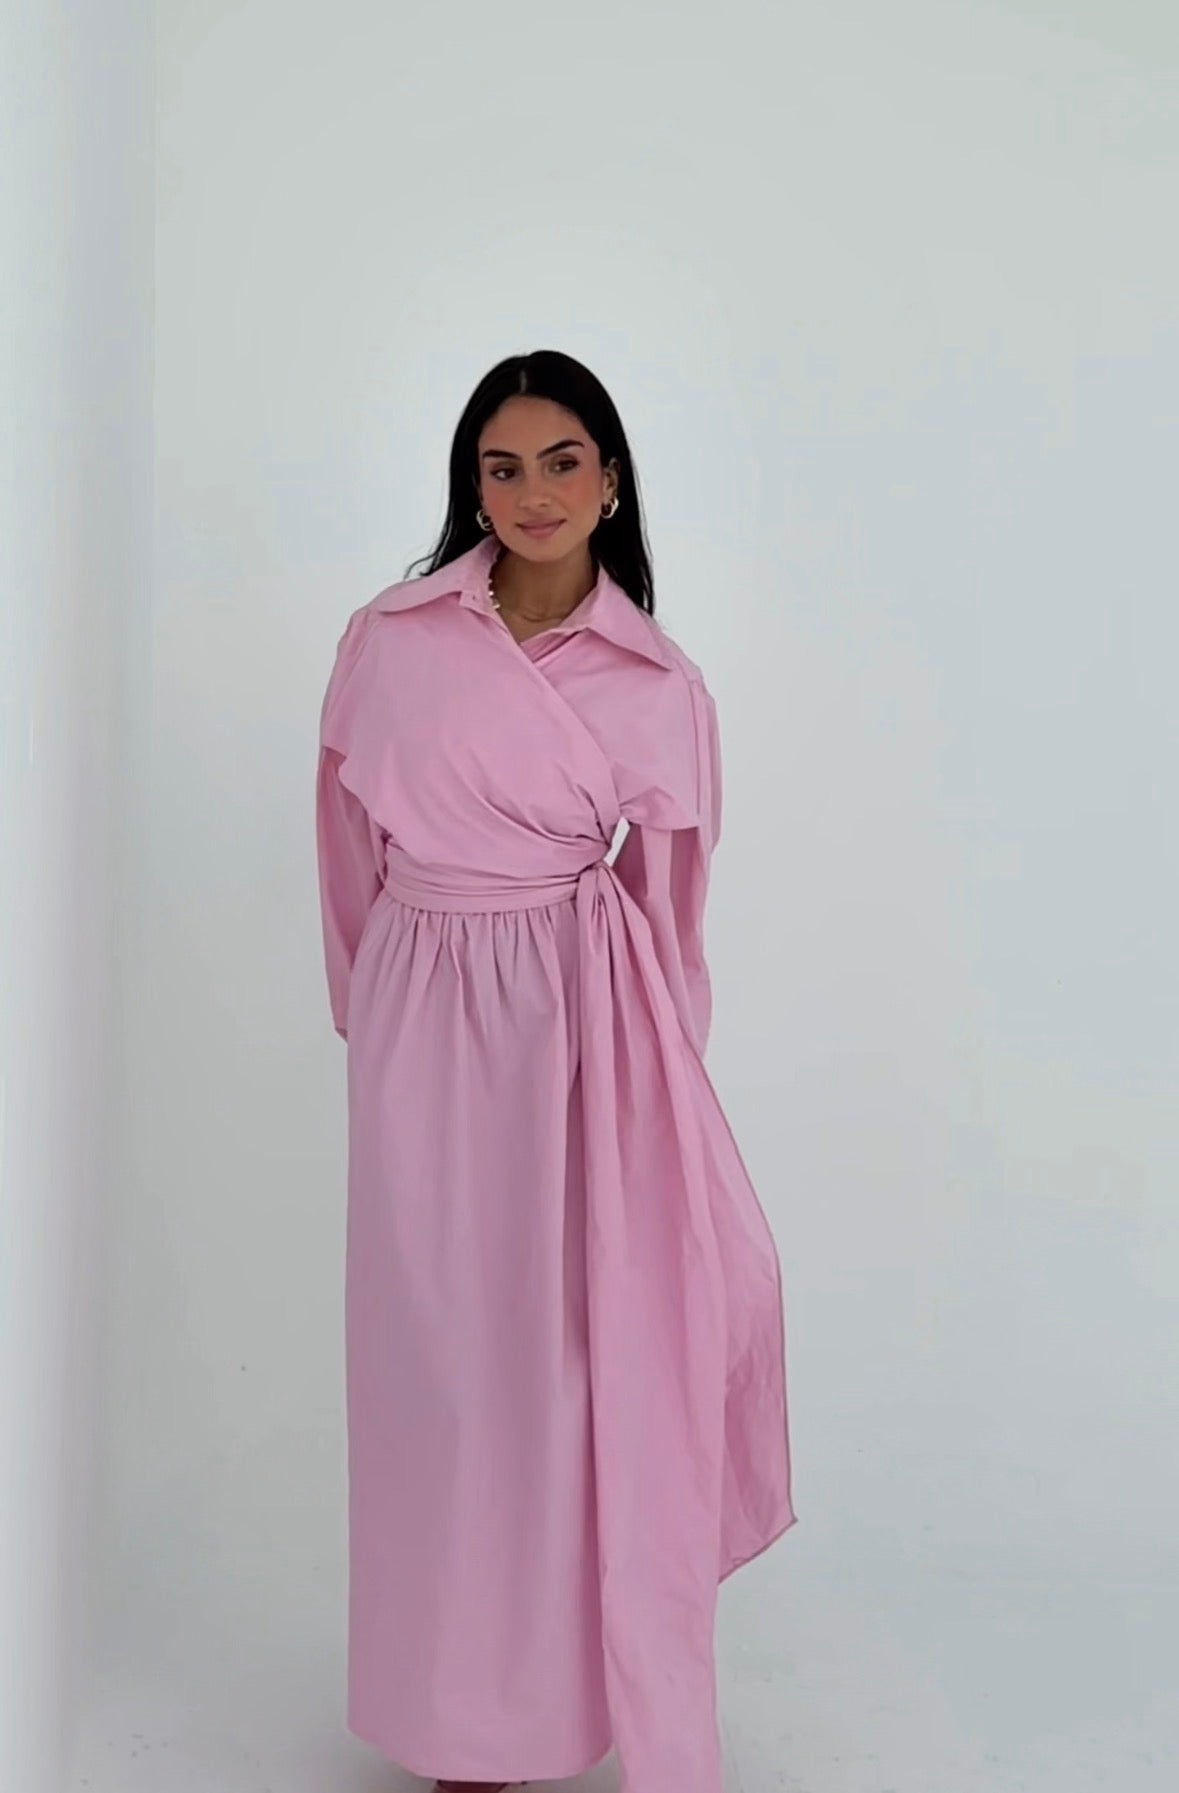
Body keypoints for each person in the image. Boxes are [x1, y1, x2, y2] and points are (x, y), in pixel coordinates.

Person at [315, 349, 796, 1793]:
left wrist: (648, 1074)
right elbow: (343, 843)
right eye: (503, 466)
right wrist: (375, 1016)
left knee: (563, 1367)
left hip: (585, 1031)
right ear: (473, 486)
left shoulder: (657, 680)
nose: (534, 492)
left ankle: (549, 1697)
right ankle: (449, 1703)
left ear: (613, 480)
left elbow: (674, 903)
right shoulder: (391, 638)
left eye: (563, 461)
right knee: (437, 1367)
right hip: (420, 1010)